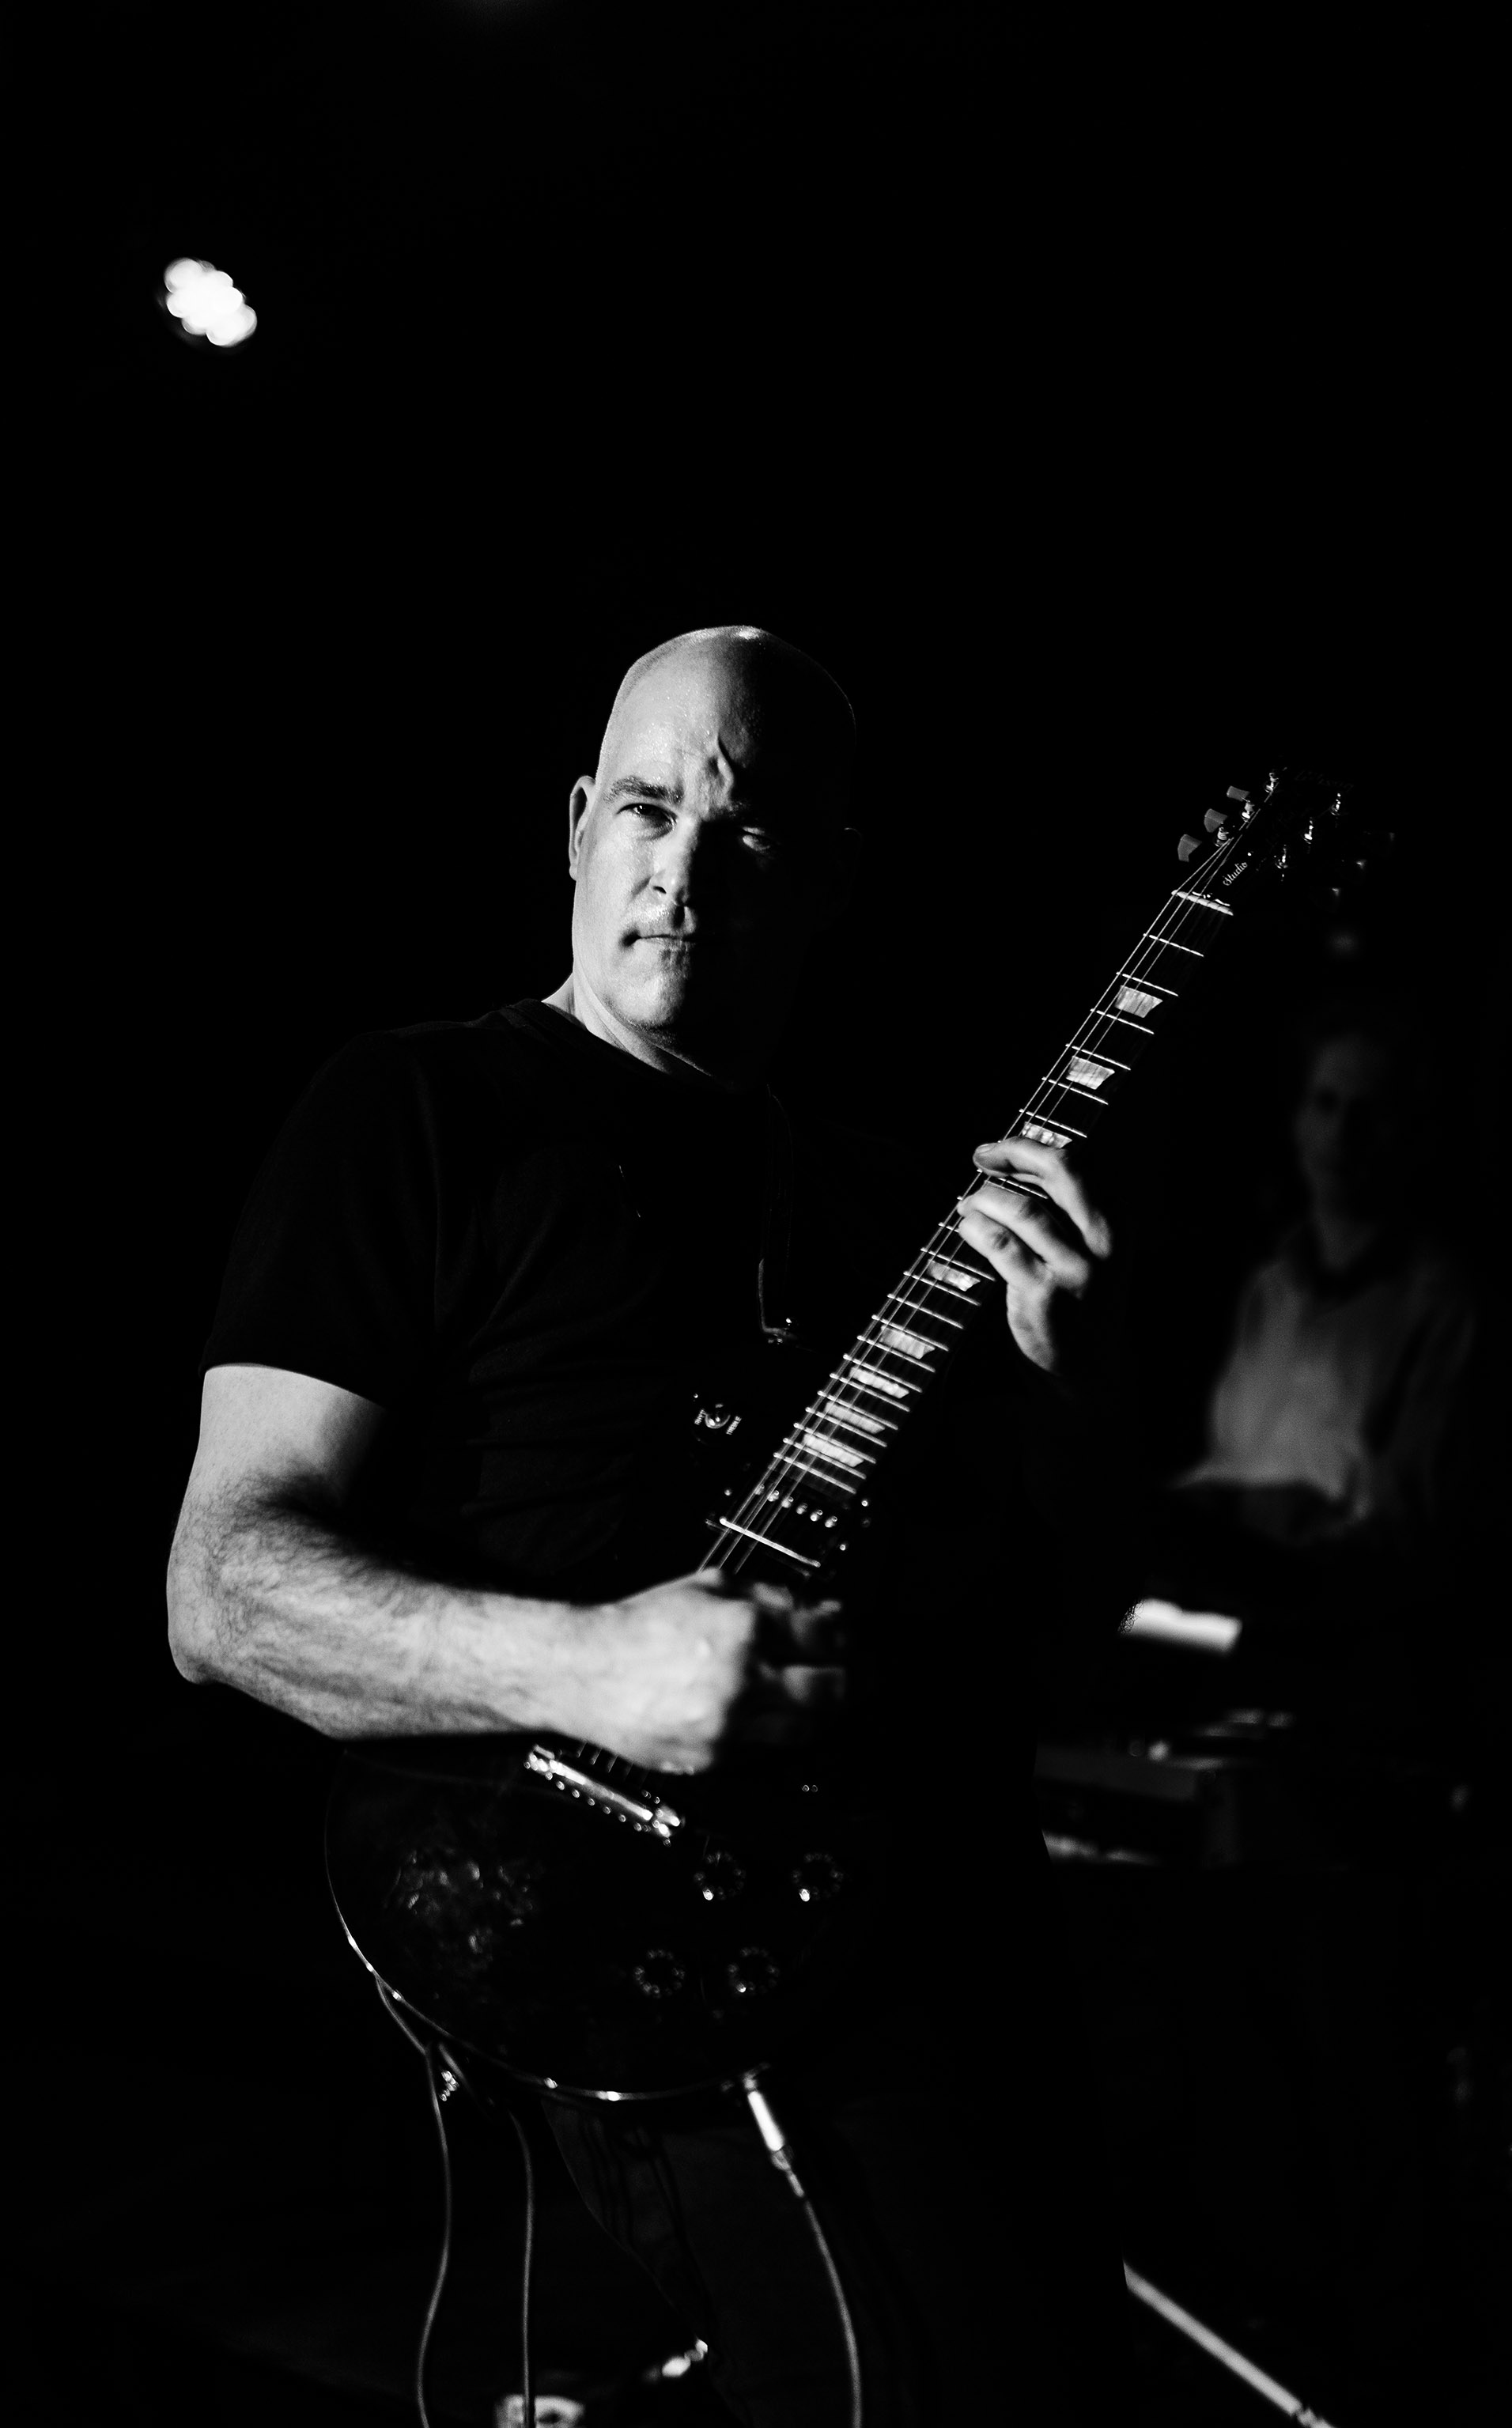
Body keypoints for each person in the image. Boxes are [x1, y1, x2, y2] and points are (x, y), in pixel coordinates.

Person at [166, 626, 1136, 2425]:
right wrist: (596, 1669)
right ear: (571, 828)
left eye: (744, 825)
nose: (681, 868)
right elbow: (222, 1589)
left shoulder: (892, 1212)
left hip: (937, 1925)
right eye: (642, 806)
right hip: (609, 1927)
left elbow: (1055, 1636)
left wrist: (1080, 1394)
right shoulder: (417, 1108)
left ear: (830, 875)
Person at [1143, 995, 1479, 1722]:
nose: (1341, 1133)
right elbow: (1231, 1460)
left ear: (1414, 1135)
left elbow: (1406, 1541)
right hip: (1231, 1621)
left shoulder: (1445, 1306)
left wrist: (1238, 1536)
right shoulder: (1271, 1287)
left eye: (1369, 1112)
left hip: (1346, 1660)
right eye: (1325, 1104)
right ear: (1297, 1122)